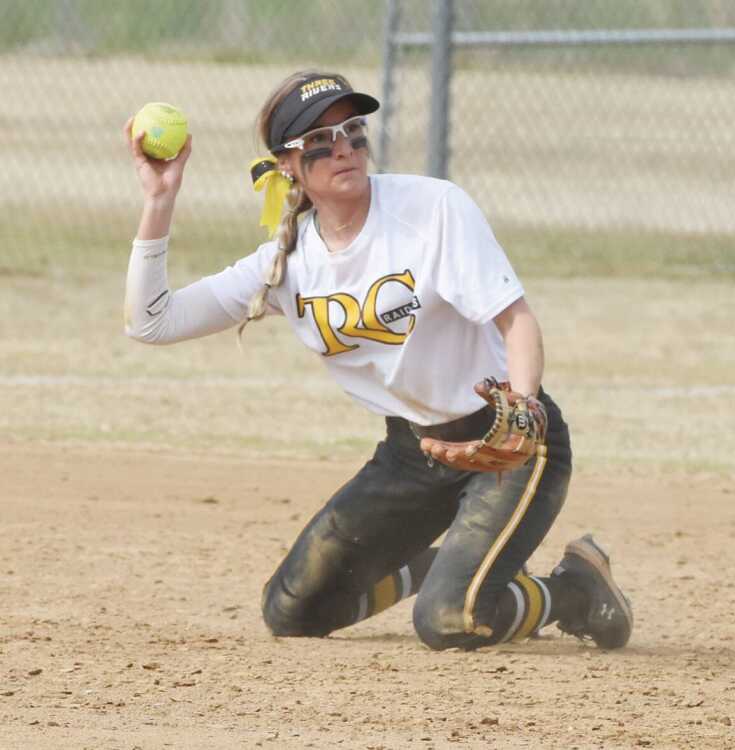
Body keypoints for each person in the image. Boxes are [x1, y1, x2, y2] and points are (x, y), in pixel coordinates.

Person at [123, 70, 632, 651]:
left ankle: (572, 590)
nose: (342, 146)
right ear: (286, 163)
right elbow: (151, 321)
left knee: (452, 621)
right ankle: (452, 567)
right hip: (412, 455)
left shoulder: (432, 208)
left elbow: (516, 321)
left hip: (506, 445)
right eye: (319, 139)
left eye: (353, 130)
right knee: (294, 611)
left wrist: (521, 412)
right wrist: (159, 200)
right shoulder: (287, 262)